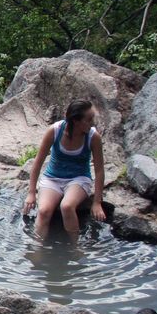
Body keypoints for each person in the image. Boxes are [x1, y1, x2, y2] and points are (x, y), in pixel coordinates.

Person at [23, 99, 107, 238]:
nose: (93, 123)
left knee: (67, 206)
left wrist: (97, 202)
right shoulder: (55, 131)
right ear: (76, 121)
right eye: (89, 119)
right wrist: (31, 192)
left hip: (79, 179)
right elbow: (38, 163)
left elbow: (99, 170)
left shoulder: (93, 137)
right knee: (43, 211)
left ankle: (73, 249)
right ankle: (37, 249)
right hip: (53, 178)